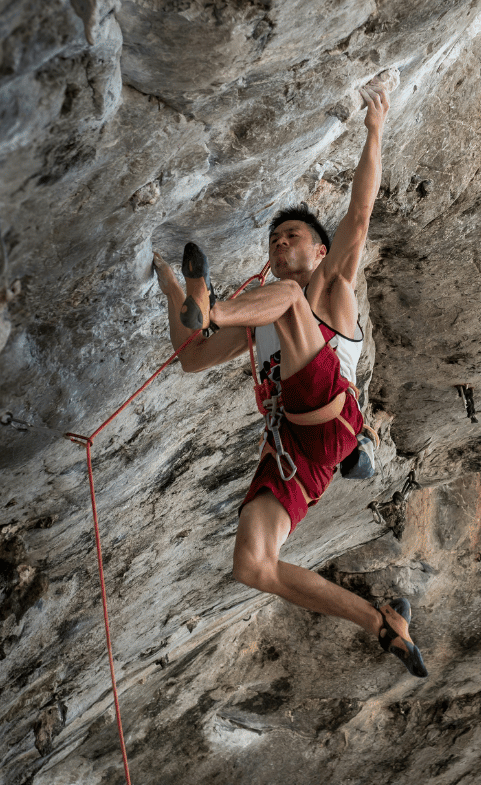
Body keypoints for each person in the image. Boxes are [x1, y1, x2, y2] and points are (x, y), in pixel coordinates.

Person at [150, 78, 426, 678]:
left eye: (292, 236)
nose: (280, 243)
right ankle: (382, 621)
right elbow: (192, 359)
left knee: (285, 301)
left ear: (320, 249)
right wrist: (171, 284)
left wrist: (375, 127)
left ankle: (212, 305)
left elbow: (360, 211)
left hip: (331, 412)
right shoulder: (265, 319)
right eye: (275, 240)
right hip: (301, 452)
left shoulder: (329, 286)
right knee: (253, 565)